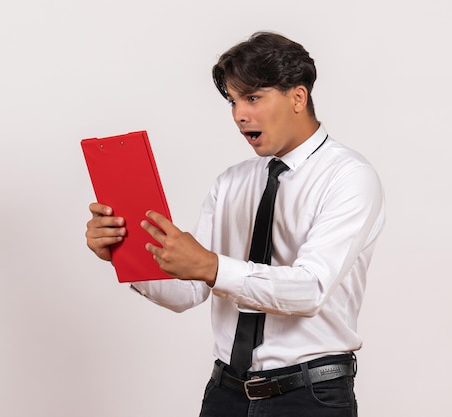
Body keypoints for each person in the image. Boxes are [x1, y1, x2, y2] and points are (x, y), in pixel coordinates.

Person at [86, 32, 385, 417]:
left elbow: (310, 288)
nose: (240, 114)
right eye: (233, 100)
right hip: (225, 393)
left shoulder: (349, 177)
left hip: (309, 397)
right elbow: (188, 292)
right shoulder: (231, 182)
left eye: (253, 97)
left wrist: (211, 266)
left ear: (298, 97)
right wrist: (123, 253)